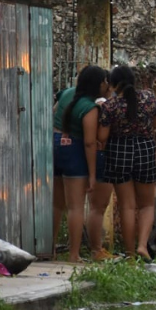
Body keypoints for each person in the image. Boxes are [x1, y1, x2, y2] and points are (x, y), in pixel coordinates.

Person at [94, 65, 156, 260]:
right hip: (145, 150)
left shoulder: (110, 105)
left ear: (113, 84)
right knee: (147, 204)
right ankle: (143, 245)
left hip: (119, 152)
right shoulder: (149, 98)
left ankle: (130, 254)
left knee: (127, 206)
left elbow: (102, 136)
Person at [53, 65, 109, 263]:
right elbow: (89, 142)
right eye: (104, 81)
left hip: (56, 145)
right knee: (75, 207)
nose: (106, 84)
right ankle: (73, 254)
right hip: (74, 152)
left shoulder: (67, 94)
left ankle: (50, 249)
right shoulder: (90, 107)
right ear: (99, 84)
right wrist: (92, 175)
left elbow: (55, 113)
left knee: (57, 204)